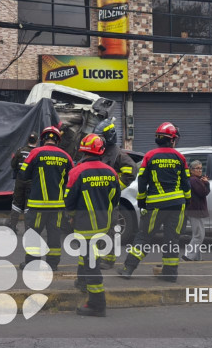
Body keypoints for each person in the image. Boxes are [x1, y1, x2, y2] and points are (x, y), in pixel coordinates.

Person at [119, 122, 190, 283]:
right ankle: (170, 274)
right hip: (177, 206)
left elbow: (142, 181)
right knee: (172, 240)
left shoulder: (150, 156)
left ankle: (128, 269)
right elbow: (186, 183)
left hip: (155, 206)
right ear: (172, 139)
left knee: (144, 237)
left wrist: (142, 201)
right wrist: (187, 202)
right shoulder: (180, 157)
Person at [64, 133, 120, 317]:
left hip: (84, 224)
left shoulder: (77, 171)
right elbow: (115, 198)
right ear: (101, 151)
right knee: (88, 255)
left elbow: (69, 201)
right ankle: (81, 282)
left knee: (91, 262)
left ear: (83, 150)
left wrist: (71, 217)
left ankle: (97, 304)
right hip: (103, 225)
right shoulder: (111, 172)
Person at [18, 126, 73, 269]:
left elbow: (23, 174)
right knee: (54, 235)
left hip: (38, 205)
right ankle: (53, 265)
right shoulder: (65, 156)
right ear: (57, 140)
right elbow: (72, 178)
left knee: (34, 235)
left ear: (43, 139)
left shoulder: (35, 152)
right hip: (57, 206)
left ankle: (32, 263)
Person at [93, 118, 136, 270]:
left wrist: (115, 188)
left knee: (109, 228)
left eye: (101, 137)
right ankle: (97, 257)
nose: (99, 140)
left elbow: (130, 172)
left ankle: (109, 259)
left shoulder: (118, 154)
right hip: (96, 198)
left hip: (109, 200)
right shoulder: (100, 151)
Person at [5, 132, 38, 232]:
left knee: (16, 203)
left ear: (28, 140)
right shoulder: (37, 152)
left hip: (20, 180)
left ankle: (13, 226)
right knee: (29, 205)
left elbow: (13, 165)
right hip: (32, 181)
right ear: (37, 141)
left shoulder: (20, 151)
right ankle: (28, 229)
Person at [183, 160, 209, 262]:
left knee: (197, 234)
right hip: (195, 210)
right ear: (191, 170)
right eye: (197, 168)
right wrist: (206, 183)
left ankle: (197, 257)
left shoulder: (196, 180)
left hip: (195, 210)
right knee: (199, 235)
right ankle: (188, 255)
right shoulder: (194, 180)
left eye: (201, 168)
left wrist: (203, 182)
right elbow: (203, 192)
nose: (200, 170)